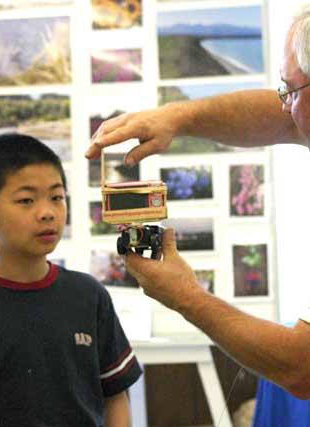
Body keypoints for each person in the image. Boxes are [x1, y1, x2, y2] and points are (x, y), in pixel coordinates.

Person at [85, 4, 310, 399]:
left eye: (290, 91)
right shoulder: (296, 108)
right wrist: (177, 116)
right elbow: (282, 117)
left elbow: (302, 367)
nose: (284, 107)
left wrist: (186, 296)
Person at [0, 133, 142, 427]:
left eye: (57, 197)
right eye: (26, 200)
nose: (47, 211)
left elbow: (115, 395)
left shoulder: (88, 295)